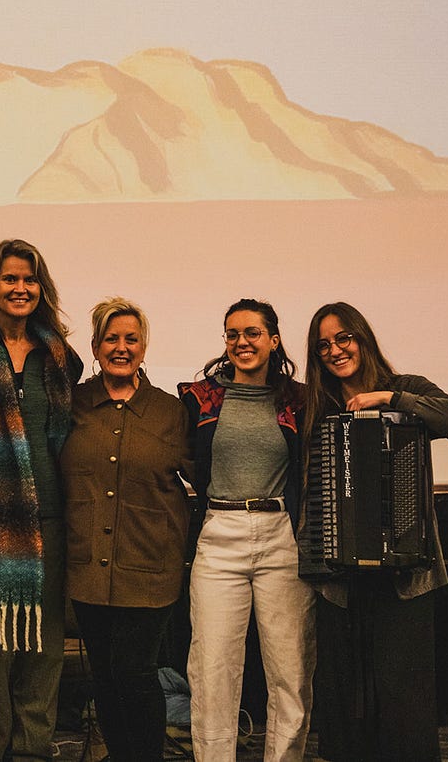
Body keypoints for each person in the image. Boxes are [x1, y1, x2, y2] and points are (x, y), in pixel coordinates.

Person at [301, 302, 448, 762]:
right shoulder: (317, 405)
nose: (335, 350)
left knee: (404, 701)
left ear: (362, 337)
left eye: (343, 338)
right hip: (338, 577)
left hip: (405, 575)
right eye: (323, 345)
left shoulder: (406, 388)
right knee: (346, 702)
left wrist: (387, 400)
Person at [0, 239, 83, 762]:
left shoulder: (60, 355)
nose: (20, 288)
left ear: (41, 288)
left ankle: (33, 750)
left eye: (29, 280)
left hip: (50, 518)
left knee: (44, 648)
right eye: (10, 278)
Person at [179, 299, 315, 762]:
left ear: (273, 340)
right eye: (232, 334)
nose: (242, 342)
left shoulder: (299, 400)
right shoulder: (199, 398)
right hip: (219, 532)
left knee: (291, 670)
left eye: (252, 333)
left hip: (281, 536)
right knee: (212, 669)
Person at [62, 297, 192, 762]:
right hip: (87, 570)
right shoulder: (72, 404)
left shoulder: (172, 412)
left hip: (150, 568)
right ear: (96, 347)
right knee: (104, 676)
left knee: (135, 673)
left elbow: (205, 476)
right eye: (111, 339)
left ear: (143, 346)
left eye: (131, 339)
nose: (122, 347)